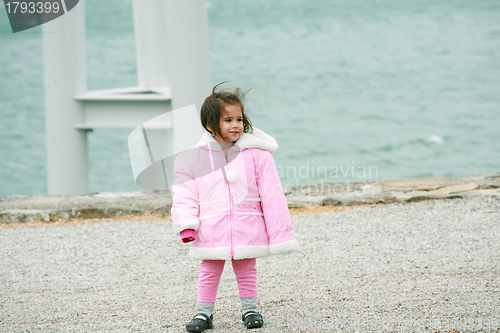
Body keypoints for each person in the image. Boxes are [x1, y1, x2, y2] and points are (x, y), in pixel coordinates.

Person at [171, 82, 299, 332]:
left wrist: (280, 235)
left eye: (238, 119)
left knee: (247, 267)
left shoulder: (258, 155)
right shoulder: (195, 158)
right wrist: (187, 224)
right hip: (210, 226)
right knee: (209, 268)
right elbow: (184, 193)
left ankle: (250, 309)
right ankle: (203, 313)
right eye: (227, 120)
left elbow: (273, 197)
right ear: (210, 125)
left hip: (247, 224)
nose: (236, 125)